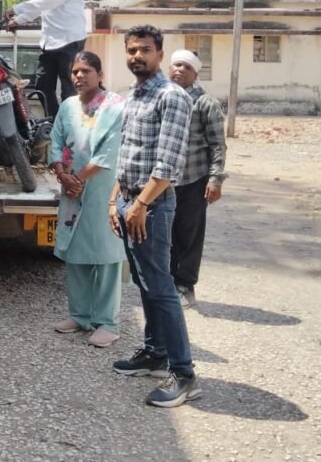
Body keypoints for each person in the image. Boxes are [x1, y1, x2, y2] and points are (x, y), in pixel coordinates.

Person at [108, 24, 199, 408]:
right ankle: (155, 353)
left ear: (160, 54)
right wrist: (115, 202)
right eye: (131, 50)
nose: (137, 56)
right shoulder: (135, 95)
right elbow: (127, 155)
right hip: (131, 203)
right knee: (145, 283)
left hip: (152, 206)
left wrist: (141, 205)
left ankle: (184, 374)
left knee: (161, 288)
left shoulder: (171, 96)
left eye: (145, 49)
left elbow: (167, 164)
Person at [48, 52, 126, 348]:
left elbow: (109, 153)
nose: (79, 76)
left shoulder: (116, 107)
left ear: (100, 74)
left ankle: (107, 322)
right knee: (75, 252)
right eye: (75, 71)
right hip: (71, 190)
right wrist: (62, 174)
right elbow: (56, 140)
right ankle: (79, 315)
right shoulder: (68, 105)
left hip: (102, 190)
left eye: (86, 71)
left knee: (105, 255)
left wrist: (78, 179)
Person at [168, 49, 228, 309]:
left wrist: (215, 179)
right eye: (176, 65)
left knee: (189, 234)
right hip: (164, 180)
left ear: (195, 74)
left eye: (187, 67)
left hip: (194, 179)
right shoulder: (164, 98)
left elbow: (217, 145)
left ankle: (185, 285)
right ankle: (167, 283)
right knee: (164, 233)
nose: (180, 70)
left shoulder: (205, 103)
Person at [3, 0, 86, 119]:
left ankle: (70, 127)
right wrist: (19, 20)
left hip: (69, 40)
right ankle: (55, 122)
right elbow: (40, 4)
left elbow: (50, 0)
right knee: (42, 87)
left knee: (70, 90)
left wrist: (16, 9)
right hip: (49, 41)